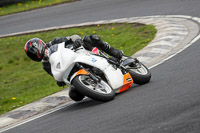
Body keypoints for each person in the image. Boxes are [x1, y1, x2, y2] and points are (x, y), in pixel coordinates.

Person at [24, 34, 123, 101]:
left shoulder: (55, 41)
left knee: (90, 38)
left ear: (41, 46)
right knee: (75, 96)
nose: (43, 55)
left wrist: (77, 40)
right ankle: (95, 87)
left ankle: (114, 52)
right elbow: (54, 74)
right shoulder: (45, 65)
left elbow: (73, 36)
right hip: (71, 71)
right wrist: (59, 81)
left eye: (38, 52)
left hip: (81, 53)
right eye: (34, 55)